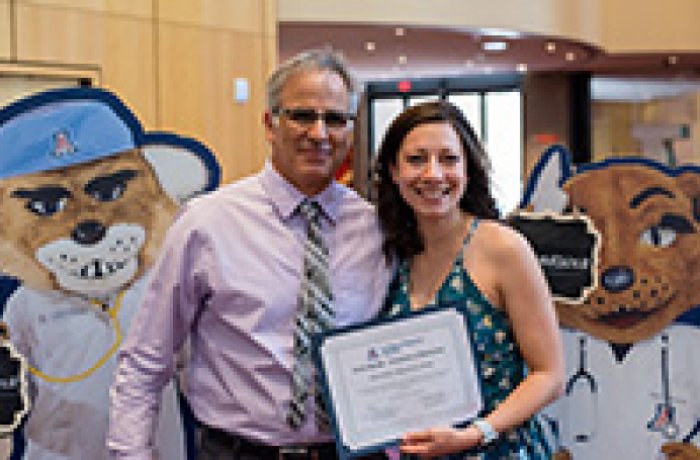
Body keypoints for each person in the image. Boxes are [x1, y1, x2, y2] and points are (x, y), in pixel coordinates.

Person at [107, 48, 392, 459]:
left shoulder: (376, 229)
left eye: (335, 119)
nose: (319, 133)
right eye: (302, 116)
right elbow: (145, 361)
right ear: (269, 124)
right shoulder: (206, 224)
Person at [374, 100, 565, 459]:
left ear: (469, 169)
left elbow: (549, 375)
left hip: (498, 450)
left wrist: (476, 434)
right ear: (393, 171)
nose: (433, 175)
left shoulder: (503, 247)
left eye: (449, 159)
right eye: (416, 160)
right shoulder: (389, 253)